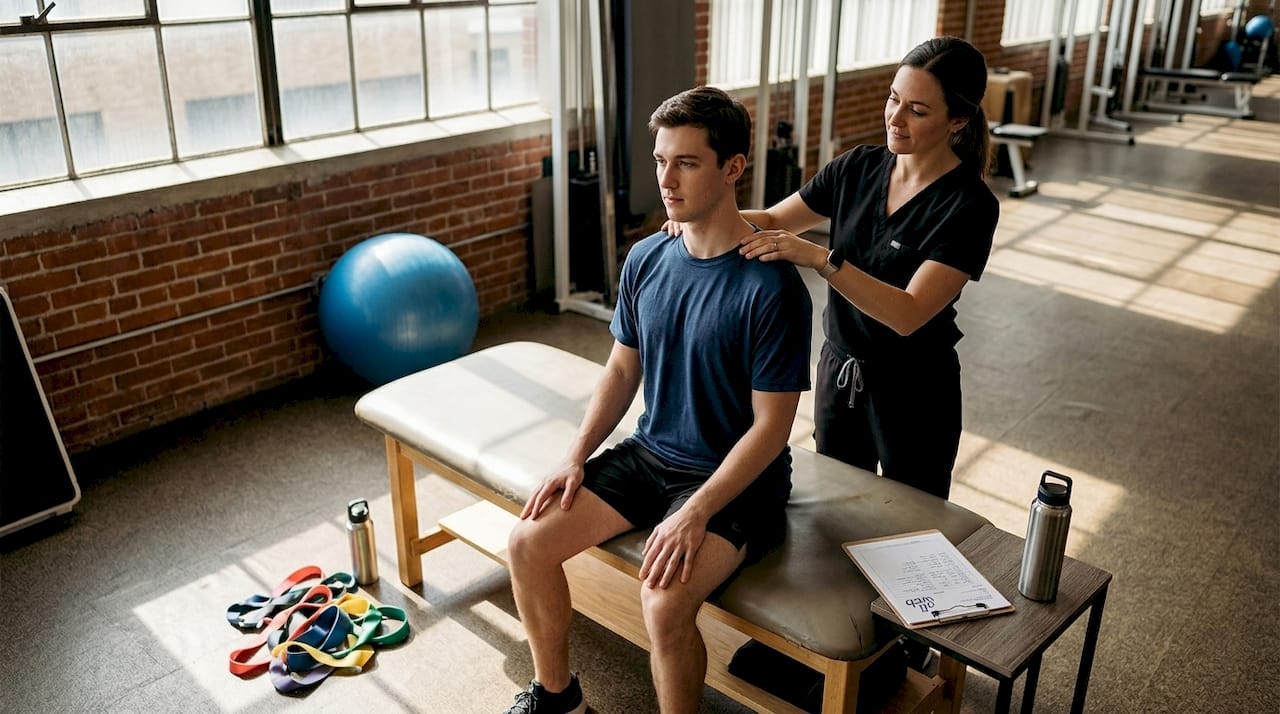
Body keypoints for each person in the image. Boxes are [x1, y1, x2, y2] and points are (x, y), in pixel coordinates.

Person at [502, 86, 812, 714]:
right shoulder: (647, 257)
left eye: (687, 163)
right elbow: (623, 368)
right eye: (660, 161)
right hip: (651, 454)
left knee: (664, 601)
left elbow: (771, 428)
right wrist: (575, 454)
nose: (666, 181)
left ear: (733, 167)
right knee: (527, 543)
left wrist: (695, 511)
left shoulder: (773, 288)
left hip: (737, 483)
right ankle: (557, 697)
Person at [727, 36, 999, 501]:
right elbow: (772, 219)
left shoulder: (969, 205)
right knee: (835, 506)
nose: (895, 117)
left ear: (958, 120)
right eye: (894, 98)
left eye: (917, 110)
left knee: (911, 517)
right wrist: (703, 218)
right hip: (840, 374)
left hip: (915, 393)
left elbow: (908, 312)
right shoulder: (857, 167)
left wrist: (821, 258)